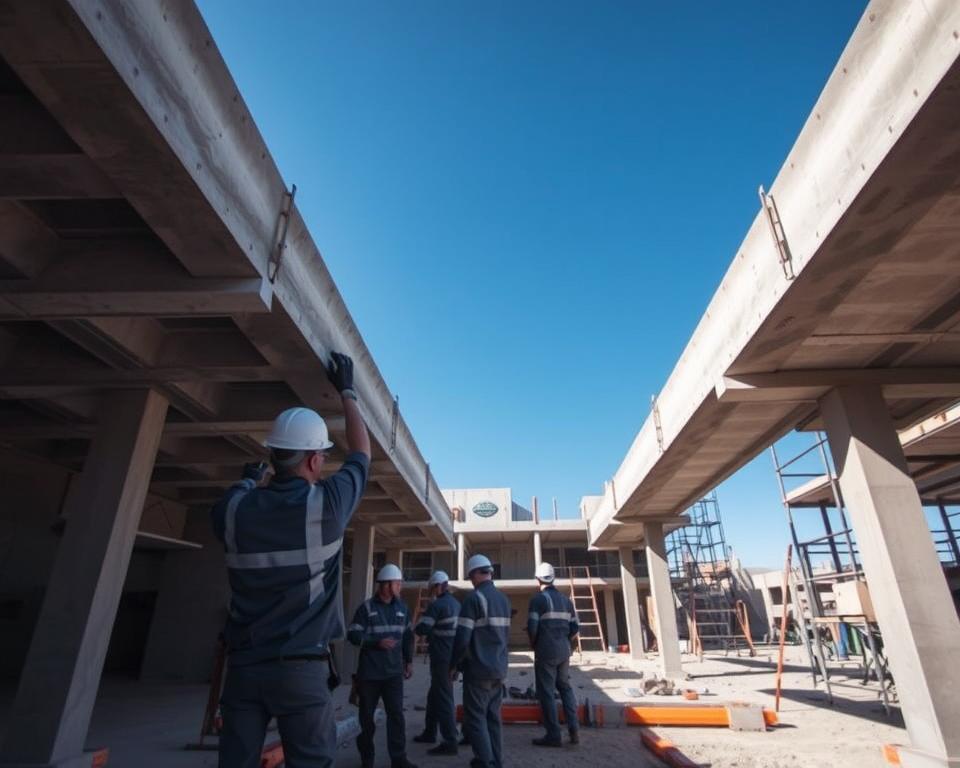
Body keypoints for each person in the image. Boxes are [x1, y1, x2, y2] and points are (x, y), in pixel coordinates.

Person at [211, 352, 370, 768]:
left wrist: (249, 478)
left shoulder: (232, 511)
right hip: (300, 668)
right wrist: (347, 390)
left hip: (244, 669)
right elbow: (362, 452)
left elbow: (239, 491)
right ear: (315, 460)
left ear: (273, 457)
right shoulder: (326, 508)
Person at [348, 564, 417, 768]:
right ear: (386, 585)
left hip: (393, 674)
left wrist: (409, 661)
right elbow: (353, 635)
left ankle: (399, 759)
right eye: (397, 583)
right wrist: (375, 643)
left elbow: (408, 637)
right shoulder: (366, 608)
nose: (400, 587)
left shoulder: (403, 608)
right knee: (366, 720)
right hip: (369, 675)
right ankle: (367, 760)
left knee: (396, 716)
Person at [450, 554, 511, 768]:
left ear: (475, 574)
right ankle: (497, 760)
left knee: (475, 718)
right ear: (490, 572)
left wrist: (454, 665)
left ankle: (484, 761)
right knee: (493, 717)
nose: (471, 582)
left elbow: (462, 639)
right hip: (499, 669)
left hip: (478, 670)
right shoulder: (504, 600)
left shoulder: (474, 599)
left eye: (470, 577)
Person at [527, 562, 580, 747]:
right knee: (565, 688)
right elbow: (575, 628)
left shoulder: (538, 600)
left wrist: (534, 643)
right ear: (553, 578)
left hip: (546, 651)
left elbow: (533, 628)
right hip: (564, 651)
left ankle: (553, 735)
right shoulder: (567, 601)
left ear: (538, 579)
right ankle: (574, 730)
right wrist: (565, 643)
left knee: (547, 693)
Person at [413, 570, 461, 756]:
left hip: (441, 658)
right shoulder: (457, 604)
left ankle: (450, 741)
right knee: (434, 696)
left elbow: (423, 627)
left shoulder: (437, 605)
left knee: (444, 699)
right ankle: (430, 732)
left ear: (437, 586)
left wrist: (414, 627)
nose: (430, 591)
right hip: (451, 657)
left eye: (431, 587)